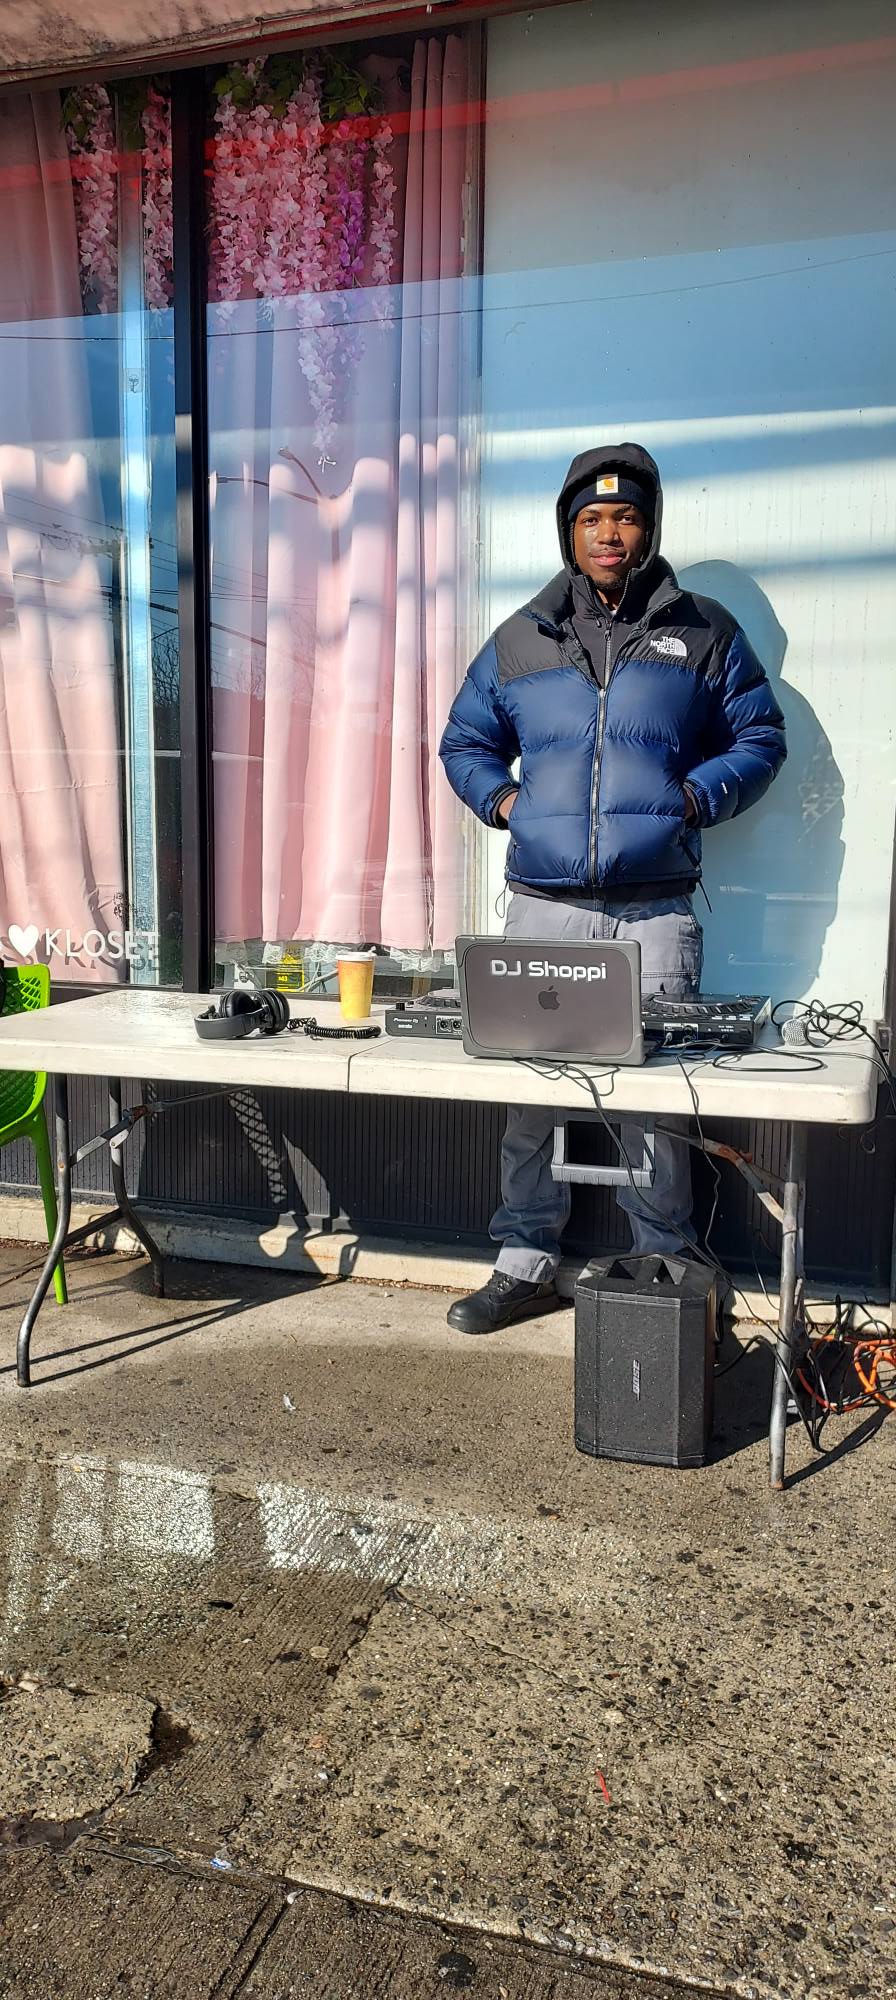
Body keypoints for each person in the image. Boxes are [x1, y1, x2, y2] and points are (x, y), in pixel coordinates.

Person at [439, 443, 786, 1335]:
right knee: (531, 1092)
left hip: (654, 912)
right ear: (569, 532)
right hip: (543, 907)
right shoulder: (521, 637)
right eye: (591, 518)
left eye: (625, 516)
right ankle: (524, 1260)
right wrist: (509, 805)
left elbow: (760, 736)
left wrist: (694, 798)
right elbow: (465, 742)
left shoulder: (702, 631)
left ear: (648, 528)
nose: (608, 533)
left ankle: (666, 1270)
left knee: (654, 1104)